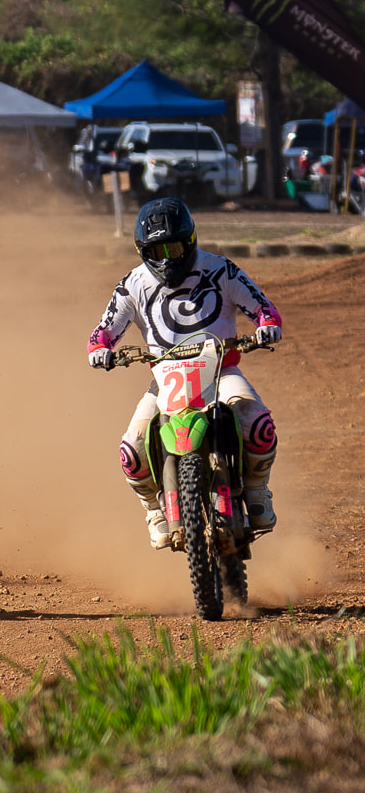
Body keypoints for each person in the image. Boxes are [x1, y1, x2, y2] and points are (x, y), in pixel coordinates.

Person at [88, 196, 282, 548]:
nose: (166, 259)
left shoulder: (221, 269)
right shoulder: (132, 284)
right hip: (166, 379)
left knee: (259, 426)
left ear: (190, 241)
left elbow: (263, 308)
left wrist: (267, 325)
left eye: (174, 248)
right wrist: (101, 350)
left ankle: (256, 491)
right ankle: (154, 510)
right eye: (156, 251)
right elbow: (102, 332)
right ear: (142, 251)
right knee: (131, 452)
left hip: (222, 370)